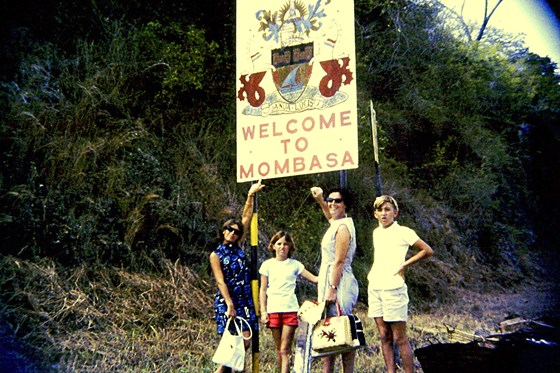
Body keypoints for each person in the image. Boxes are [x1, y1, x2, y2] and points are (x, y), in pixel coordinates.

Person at [367, 195, 433, 373]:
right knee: (383, 335)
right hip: (375, 286)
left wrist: (405, 264)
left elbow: (427, 250)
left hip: (394, 288)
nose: (384, 213)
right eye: (380, 210)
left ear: (395, 212)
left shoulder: (404, 231)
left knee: (400, 337)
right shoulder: (376, 232)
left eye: (387, 209)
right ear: (375, 214)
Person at [209, 180, 265, 373]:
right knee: (233, 343)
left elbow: (246, 218)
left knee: (245, 341)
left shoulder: (239, 247)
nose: (233, 233)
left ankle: (232, 370)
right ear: (223, 231)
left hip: (245, 299)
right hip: (228, 300)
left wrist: (250, 195)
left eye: (236, 231)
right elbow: (220, 281)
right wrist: (229, 304)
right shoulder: (216, 255)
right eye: (230, 230)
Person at [310, 186, 359, 373]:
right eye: (330, 200)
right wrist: (321, 200)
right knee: (327, 329)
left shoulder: (344, 227)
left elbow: (339, 260)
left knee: (343, 329)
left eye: (337, 201)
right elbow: (331, 216)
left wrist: (332, 288)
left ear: (345, 204)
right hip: (329, 278)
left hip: (339, 282)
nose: (332, 204)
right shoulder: (337, 223)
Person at [259, 231, 318, 373]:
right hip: (273, 310)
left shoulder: (295, 265)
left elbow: (314, 279)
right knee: (279, 349)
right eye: (279, 244)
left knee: (285, 349)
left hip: (290, 310)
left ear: (290, 246)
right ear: (273, 246)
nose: (282, 247)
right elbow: (262, 290)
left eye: (285, 244)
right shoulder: (267, 265)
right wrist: (263, 311)